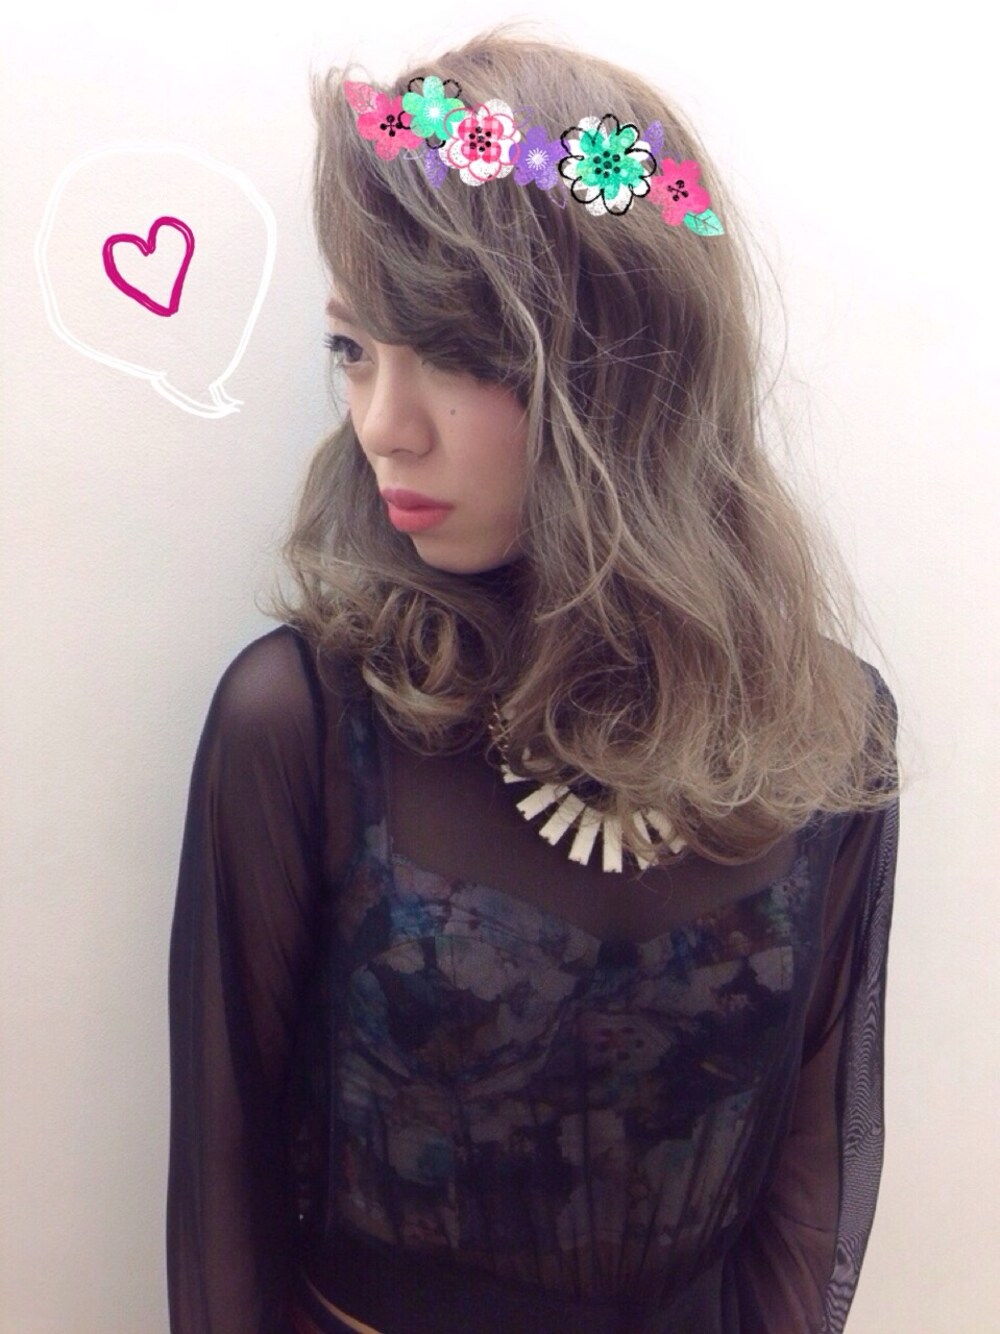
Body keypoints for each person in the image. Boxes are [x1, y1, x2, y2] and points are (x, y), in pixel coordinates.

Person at [166, 25, 901, 1334]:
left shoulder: (830, 736)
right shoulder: (304, 723)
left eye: (454, 353)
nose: (383, 424)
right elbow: (225, 1192)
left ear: (621, 365)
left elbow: (807, 1183)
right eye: (353, 349)